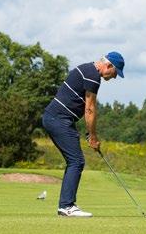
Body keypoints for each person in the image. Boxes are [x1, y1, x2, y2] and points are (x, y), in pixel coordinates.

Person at [42, 51, 125, 217]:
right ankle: (66, 206)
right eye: (115, 73)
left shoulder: (88, 70)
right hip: (58, 119)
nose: (114, 77)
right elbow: (90, 109)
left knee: (75, 161)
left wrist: (89, 133)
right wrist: (93, 136)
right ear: (109, 66)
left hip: (57, 119)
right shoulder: (93, 77)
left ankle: (66, 205)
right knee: (76, 161)